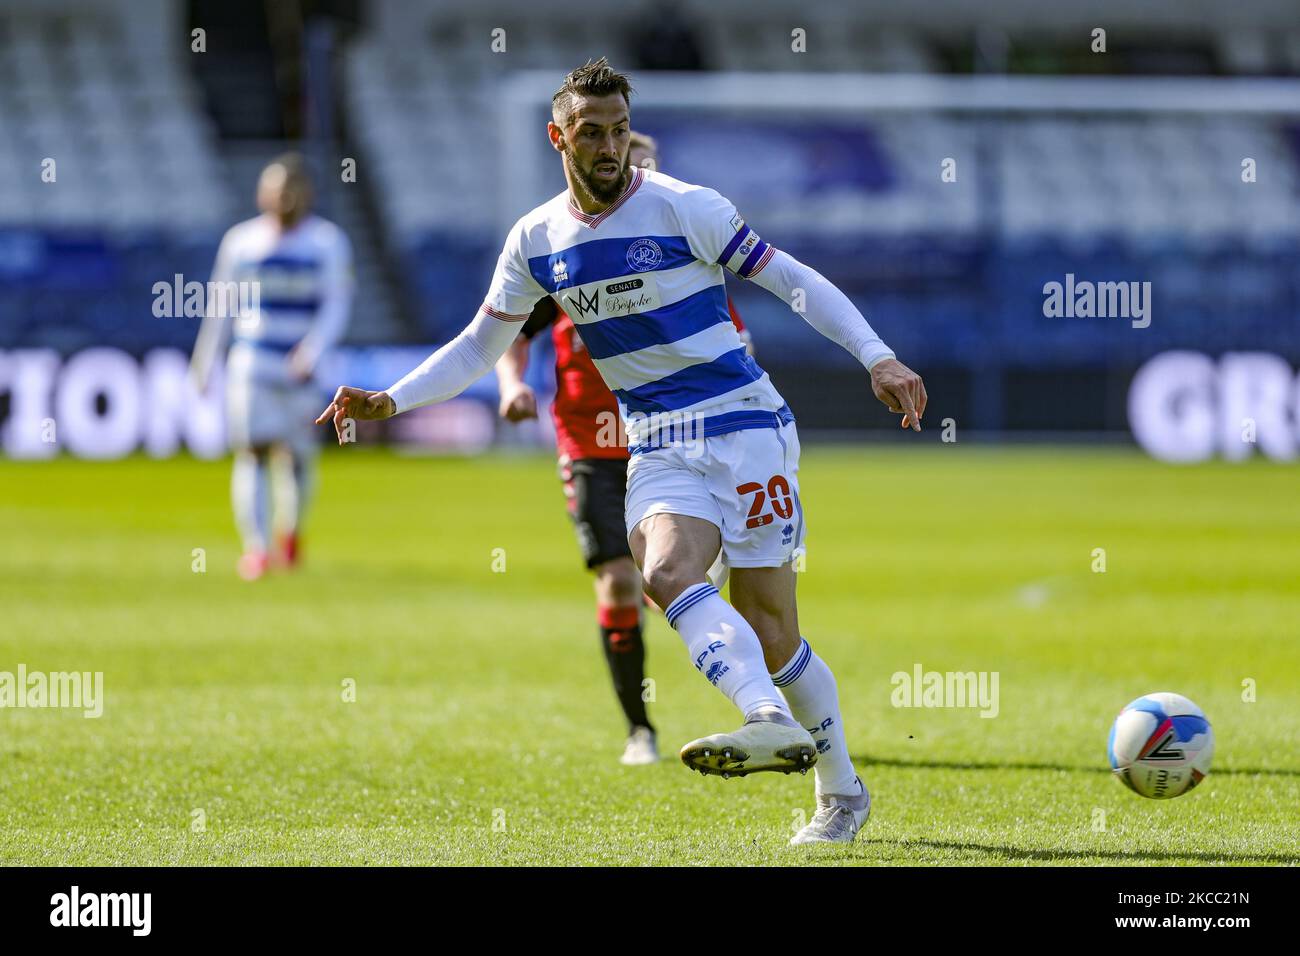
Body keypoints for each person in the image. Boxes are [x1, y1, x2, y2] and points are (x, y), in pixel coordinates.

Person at [316, 60, 925, 844]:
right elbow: (478, 345)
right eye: (592, 132)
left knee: (773, 629)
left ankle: (841, 794)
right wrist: (392, 399)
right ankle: (766, 719)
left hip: (744, 424)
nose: (610, 147)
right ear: (558, 136)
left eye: (618, 131)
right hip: (658, 443)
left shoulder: (685, 207)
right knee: (665, 571)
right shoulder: (536, 240)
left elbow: (793, 281)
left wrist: (876, 354)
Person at [493, 131, 753, 767]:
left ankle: (758, 700)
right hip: (595, 446)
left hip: (672, 440)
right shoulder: (564, 256)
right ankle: (641, 728)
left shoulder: (682, 261)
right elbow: (506, 332)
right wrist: (512, 386)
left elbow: (734, 347)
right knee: (617, 584)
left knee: (668, 579)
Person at [191, 153, 353, 580]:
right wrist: (205, 361)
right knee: (253, 452)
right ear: (262, 193)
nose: (282, 198)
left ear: (306, 194)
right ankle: (257, 549)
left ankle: (292, 533)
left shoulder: (327, 242)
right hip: (252, 364)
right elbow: (221, 306)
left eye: (290, 190)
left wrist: (313, 350)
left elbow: (337, 304)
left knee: (296, 459)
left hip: (302, 371)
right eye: (275, 189)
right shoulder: (241, 241)